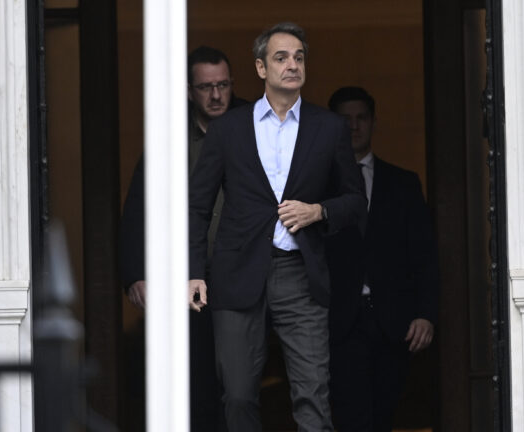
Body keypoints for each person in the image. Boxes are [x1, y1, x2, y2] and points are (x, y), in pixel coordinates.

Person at [188, 23, 367, 432]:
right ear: (260, 68)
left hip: (299, 272)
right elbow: (197, 206)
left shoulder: (328, 127)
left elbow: (356, 200)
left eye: (299, 57)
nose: (292, 65)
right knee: (237, 395)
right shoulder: (228, 128)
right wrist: (195, 272)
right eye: (281, 58)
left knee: (313, 392)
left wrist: (318, 211)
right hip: (236, 272)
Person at [119, 46, 246, 432]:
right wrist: (135, 273)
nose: (217, 95)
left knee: (242, 387)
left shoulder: (255, 124)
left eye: (223, 85)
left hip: (247, 273)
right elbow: (139, 205)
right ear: (189, 91)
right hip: (186, 277)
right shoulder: (169, 136)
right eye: (206, 87)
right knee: (194, 383)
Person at [325, 86, 440, 432]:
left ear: (374, 122)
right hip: (339, 322)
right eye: (345, 120)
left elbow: (423, 254)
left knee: (385, 416)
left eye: (361, 118)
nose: (354, 126)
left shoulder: (403, 183)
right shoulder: (317, 187)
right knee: (350, 418)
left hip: (394, 323)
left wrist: (426, 314)